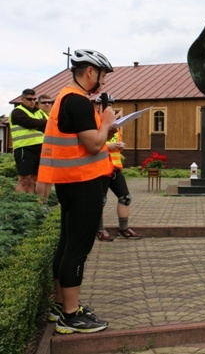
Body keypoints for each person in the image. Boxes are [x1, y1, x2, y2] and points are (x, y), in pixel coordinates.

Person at [38, 49, 117, 334]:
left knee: (67, 242)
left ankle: (61, 305)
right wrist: (107, 121)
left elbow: (85, 141)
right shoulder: (79, 103)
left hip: (69, 182)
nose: (104, 82)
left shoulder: (64, 99)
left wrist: (104, 125)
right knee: (78, 248)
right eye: (103, 75)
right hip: (83, 184)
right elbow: (94, 145)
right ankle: (70, 316)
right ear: (90, 73)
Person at [94, 94, 142, 242]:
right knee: (100, 201)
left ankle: (124, 228)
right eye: (105, 105)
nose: (109, 107)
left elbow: (114, 143)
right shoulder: (94, 122)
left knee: (125, 197)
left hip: (115, 168)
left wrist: (119, 146)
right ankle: (99, 230)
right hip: (100, 169)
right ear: (97, 107)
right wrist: (108, 146)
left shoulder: (114, 123)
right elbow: (91, 144)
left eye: (111, 105)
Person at [9, 88, 48, 193]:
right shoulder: (17, 112)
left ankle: (30, 204)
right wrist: (41, 123)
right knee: (24, 179)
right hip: (24, 148)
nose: (32, 101)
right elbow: (30, 123)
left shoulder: (38, 113)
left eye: (34, 99)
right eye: (29, 99)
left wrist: (39, 123)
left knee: (33, 179)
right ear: (22, 99)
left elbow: (45, 125)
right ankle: (19, 204)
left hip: (39, 148)